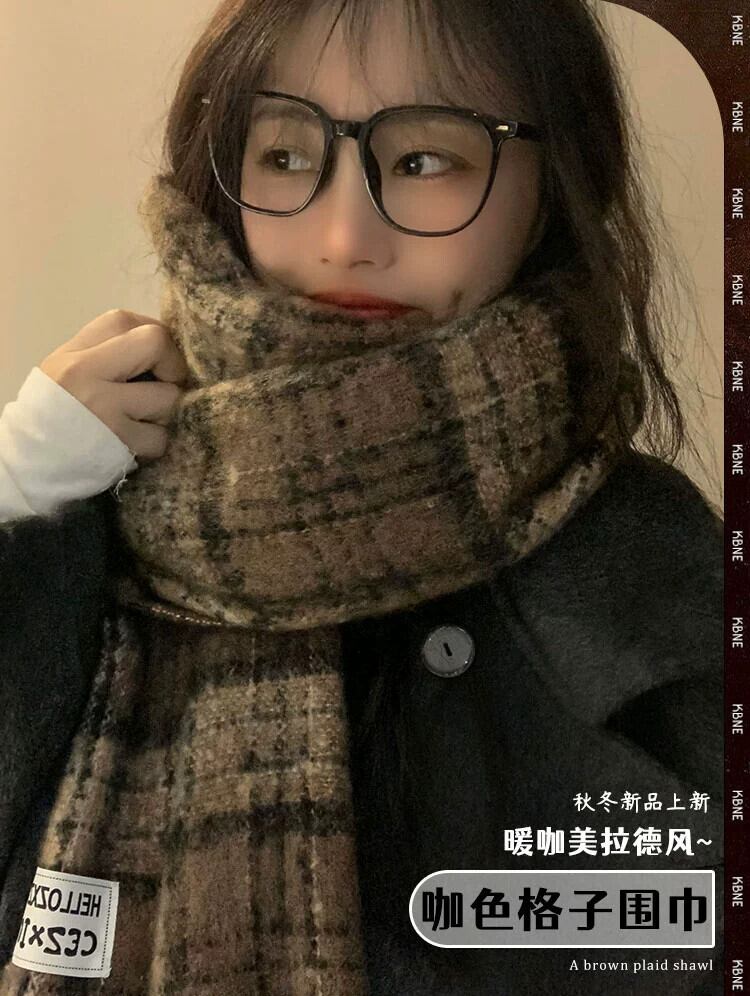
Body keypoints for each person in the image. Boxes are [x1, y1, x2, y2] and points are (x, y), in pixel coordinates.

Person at [0, 1, 722, 994]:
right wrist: (13, 493)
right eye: (286, 157)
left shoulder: (654, 579)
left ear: (556, 187)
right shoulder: (81, 519)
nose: (345, 236)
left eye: (426, 160)